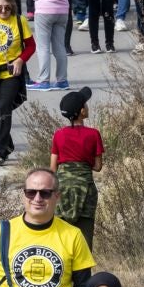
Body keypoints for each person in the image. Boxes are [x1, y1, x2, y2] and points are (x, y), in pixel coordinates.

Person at [52, 88, 105, 247]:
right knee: (84, 238)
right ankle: (83, 270)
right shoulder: (93, 134)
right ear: (82, 111)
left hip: (62, 191)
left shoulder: (58, 134)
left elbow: (52, 168)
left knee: (60, 236)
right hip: (85, 190)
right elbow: (97, 166)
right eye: (86, 105)